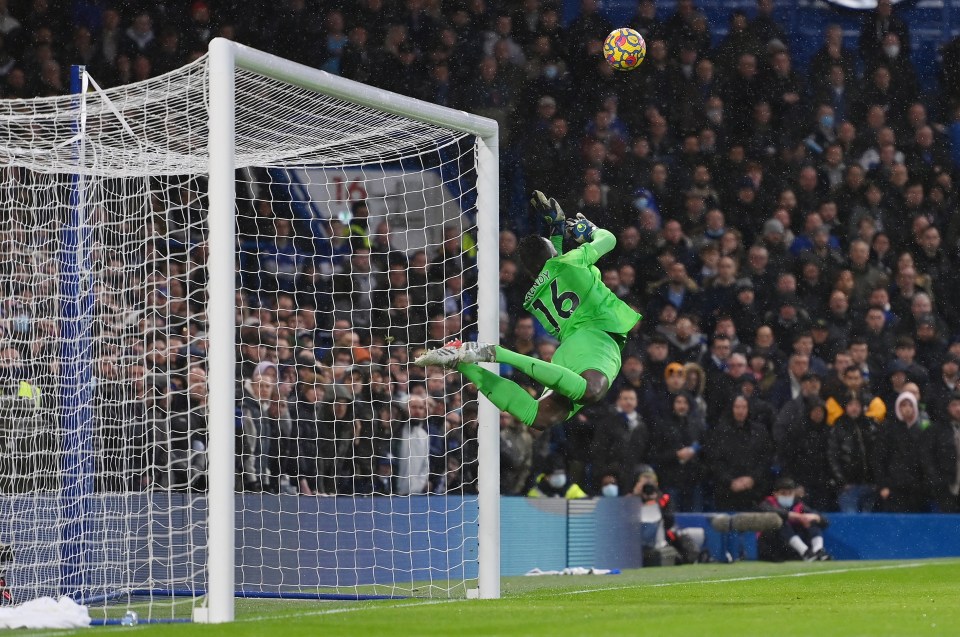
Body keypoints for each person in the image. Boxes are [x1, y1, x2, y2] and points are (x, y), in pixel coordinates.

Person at [414, 191, 643, 432]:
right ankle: (494, 353)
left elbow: (556, 263)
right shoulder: (570, 263)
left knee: (539, 417)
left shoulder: (535, 294)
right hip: (597, 339)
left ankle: (460, 361)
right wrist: (590, 230)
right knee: (590, 390)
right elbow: (609, 240)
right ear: (553, 253)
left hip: (571, 350)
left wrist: (556, 230)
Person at [757, 477, 832, 562]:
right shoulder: (767, 503)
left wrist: (815, 517)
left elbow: (825, 522)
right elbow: (767, 510)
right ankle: (805, 552)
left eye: (790, 493)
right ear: (775, 493)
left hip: (790, 547)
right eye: (783, 493)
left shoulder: (798, 505)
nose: (787, 496)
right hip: (772, 546)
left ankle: (818, 551)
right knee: (780, 521)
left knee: (811, 521)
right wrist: (794, 516)